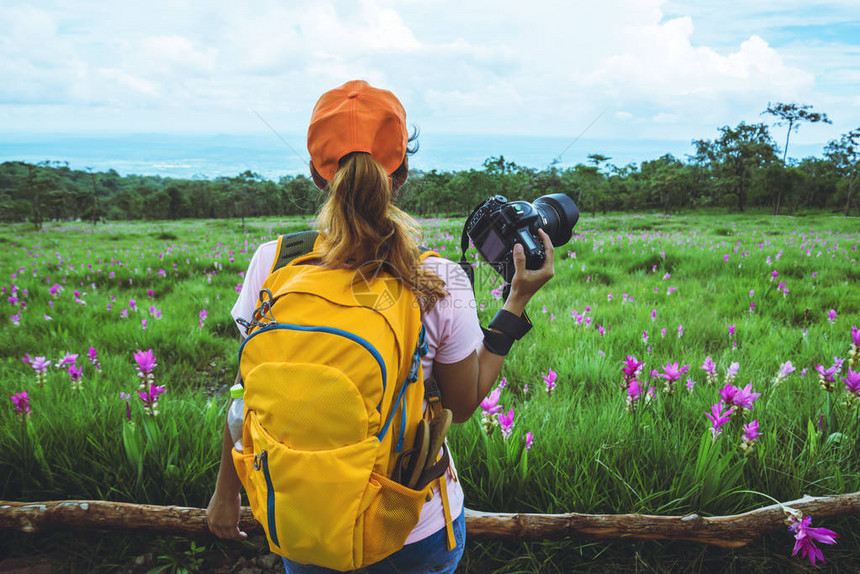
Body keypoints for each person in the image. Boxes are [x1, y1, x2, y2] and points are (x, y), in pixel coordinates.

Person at [206, 80, 555, 573]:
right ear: (403, 173)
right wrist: (516, 300)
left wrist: (225, 493)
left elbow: (248, 393)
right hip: (410, 525)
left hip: (301, 517)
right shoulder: (436, 277)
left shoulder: (274, 261)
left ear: (314, 173)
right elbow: (462, 402)